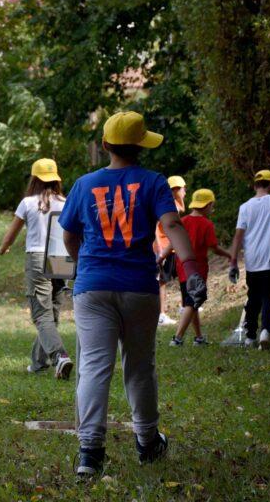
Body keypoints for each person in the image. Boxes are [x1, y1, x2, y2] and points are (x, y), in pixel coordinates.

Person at [59, 111, 205, 477]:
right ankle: (147, 442)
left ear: (106, 145)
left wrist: (85, 265)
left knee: (94, 366)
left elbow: (69, 236)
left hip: (93, 287)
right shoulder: (154, 182)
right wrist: (190, 270)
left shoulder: (83, 184)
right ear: (141, 145)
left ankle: (89, 454)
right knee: (140, 367)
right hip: (139, 288)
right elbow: (172, 224)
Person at [0, 159, 73, 380]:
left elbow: (12, 233)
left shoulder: (28, 203)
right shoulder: (65, 202)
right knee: (52, 311)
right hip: (61, 255)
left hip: (37, 257)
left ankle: (59, 356)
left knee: (41, 315)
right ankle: (39, 363)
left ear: (34, 179)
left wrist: (3, 248)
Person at [229, 170, 270, 350]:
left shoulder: (245, 207)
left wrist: (233, 262)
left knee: (253, 298)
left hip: (252, 262)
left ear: (255, 185)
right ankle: (265, 331)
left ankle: (250, 336)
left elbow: (238, 237)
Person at [165, 189, 231, 346]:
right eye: (212, 206)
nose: (212, 209)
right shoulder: (207, 224)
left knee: (191, 302)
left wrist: (161, 256)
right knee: (191, 303)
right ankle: (177, 338)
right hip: (197, 270)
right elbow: (214, 248)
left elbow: (173, 242)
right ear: (207, 205)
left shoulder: (184, 221)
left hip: (182, 269)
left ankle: (199, 337)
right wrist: (229, 255)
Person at [155, 175, 187, 326]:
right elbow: (155, 225)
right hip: (164, 247)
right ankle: (161, 314)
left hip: (172, 247)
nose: (185, 191)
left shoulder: (176, 204)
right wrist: (160, 247)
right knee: (162, 281)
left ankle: (184, 306)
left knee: (182, 274)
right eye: (183, 188)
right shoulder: (165, 205)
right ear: (174, 190)